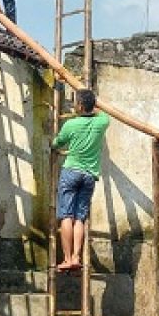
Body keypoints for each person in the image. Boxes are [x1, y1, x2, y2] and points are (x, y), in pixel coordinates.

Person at [51, 90, 109, 272]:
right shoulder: (102, 122)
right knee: (80, 218)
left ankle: (67, 258)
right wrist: (92, 105)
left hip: (71, 172)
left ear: (81, 106)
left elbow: (57, 143)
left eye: (76, 102)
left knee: (66, 216)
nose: (73, 105)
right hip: (89, 175)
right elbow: (103, 112)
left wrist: (54, 145)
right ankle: (77, 256)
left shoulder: (71, 124)